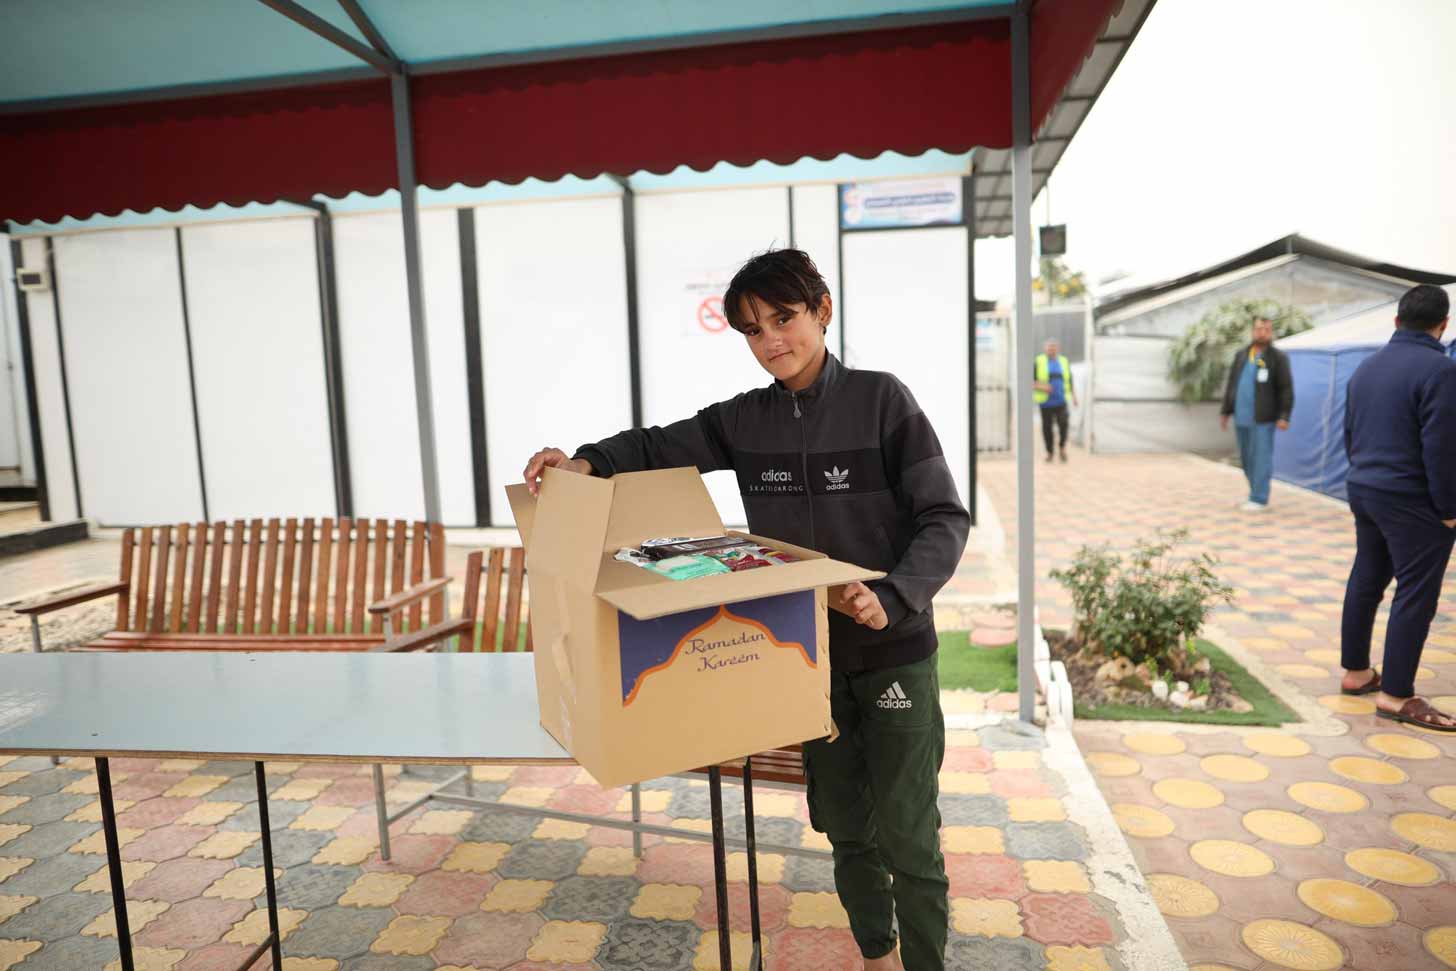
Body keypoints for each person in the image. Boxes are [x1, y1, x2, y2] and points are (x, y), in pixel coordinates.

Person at [523, 249, 970, 970]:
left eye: (783, 319)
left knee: (909, 833)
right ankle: (877, 955)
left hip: (895, 652)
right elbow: (658, 445)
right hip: (804, 657)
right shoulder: (744, 421)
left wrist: (891, 595)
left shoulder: (883, 401)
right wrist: (585, 461)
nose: (771, 341)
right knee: (845, 827)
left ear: (823, 310)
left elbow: (944, 516)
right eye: (754, 330)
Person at [1338, 284, 1456, 732]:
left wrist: (1367, 478)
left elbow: (1350, 434)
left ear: (1396, 321)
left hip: (1365, 488)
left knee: (1367, 577)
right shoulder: (1441, 371)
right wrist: (1449, 508)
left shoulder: (1366, 367)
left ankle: (1356, 673)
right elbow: (1442, 448)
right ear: (1443, 325)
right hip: (1412, 499)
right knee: (1416, 591)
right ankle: (1396, 694)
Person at [1219, 315, 1293, 510]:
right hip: (1241, 417)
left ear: (1271, 332)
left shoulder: (1278, 358)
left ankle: (1259, 498)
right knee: (1246, 459)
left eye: (1267, 330)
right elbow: (1232, 384)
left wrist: (1284, 416)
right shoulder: (1242, 355)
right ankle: (1254, 494)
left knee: (1261, 459)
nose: (1262, 333)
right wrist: (1225, 411)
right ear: (1253, 331)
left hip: (1263, 419)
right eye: (1259, 329)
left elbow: (1286, 389)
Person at [1033, 339, 1076, 462]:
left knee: (1063, 424)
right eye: (1049, 347)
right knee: (1047, 428)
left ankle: (1062, 448)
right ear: (1045, 349)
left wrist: (1074, 396)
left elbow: (1069, 379)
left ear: (1057, 349)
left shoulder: (1064, 361)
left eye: (1054, 347)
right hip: (1045, 402)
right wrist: (1043, 387)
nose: (1051, 350)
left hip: (1061, 400)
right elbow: (1031, 380)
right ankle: (1050, 452)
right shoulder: (1038, 361)